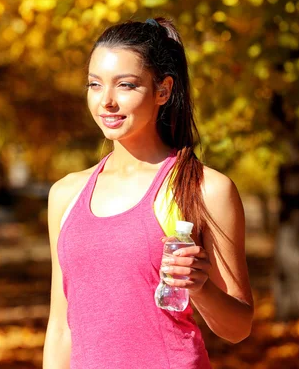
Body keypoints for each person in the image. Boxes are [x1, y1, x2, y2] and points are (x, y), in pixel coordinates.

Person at [42, 18, 254, 368]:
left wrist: (200, 287)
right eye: (94, 85)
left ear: (163, 91)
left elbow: (238, 327)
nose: (106, 101)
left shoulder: (205, 189)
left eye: (125, 85)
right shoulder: (65, 194)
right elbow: (61, 328)